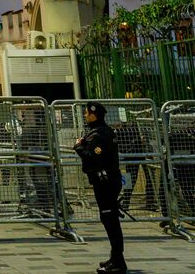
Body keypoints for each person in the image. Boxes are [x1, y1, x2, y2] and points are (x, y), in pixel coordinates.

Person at [74, 102, 127, 274]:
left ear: (94, 115)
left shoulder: (99, 135)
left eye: (87, 113)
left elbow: (92, 157)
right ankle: (115, 257)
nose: (85, 115)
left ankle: (118, 262)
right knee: (109, 219)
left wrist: (78, 147)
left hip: (105, 181)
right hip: (107, 180)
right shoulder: (104, 132)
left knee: (110, 220)